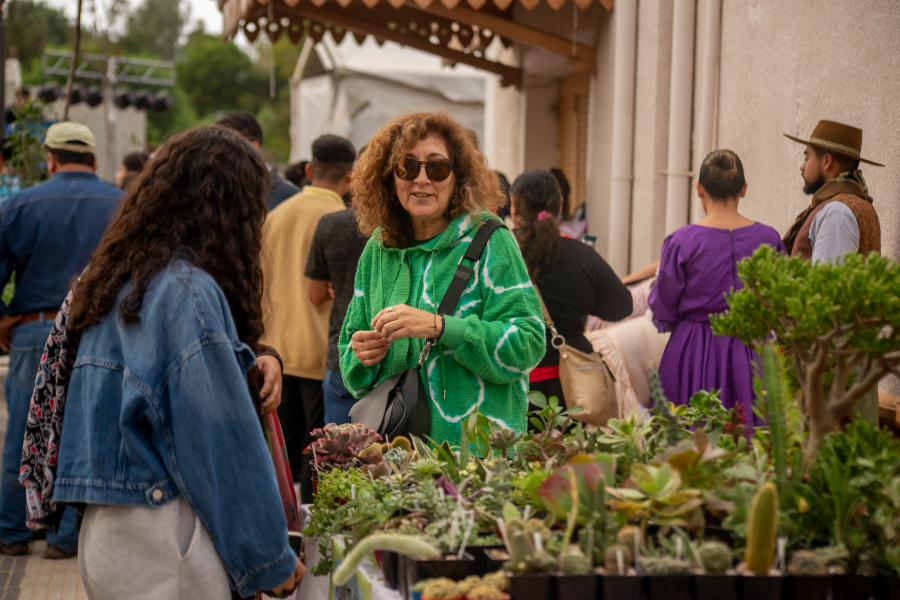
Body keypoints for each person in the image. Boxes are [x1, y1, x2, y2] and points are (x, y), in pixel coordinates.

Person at [56, 126, 305, 599]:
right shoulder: (187, 292)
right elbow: (220, 443)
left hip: (108, 530)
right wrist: (268, 557)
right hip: (164, 537)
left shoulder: (118, 278)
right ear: (228, 210)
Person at [339, 112, 545, 445]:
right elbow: (352, 367)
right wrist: (363, 356)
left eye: (437, 168)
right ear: (390, 177)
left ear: (457, 177)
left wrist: (441, 327)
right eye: (407, 167)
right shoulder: (379, 249)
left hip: (478, 465)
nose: (421, 180)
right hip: (397, 462)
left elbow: (529, 344)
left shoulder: (491, 240)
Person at [0, 123, 120, 559]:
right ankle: (64, 538)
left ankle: (11, 532)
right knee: (81, 432)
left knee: (22, 433)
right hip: (99, 332)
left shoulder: (18, 204)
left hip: (34, 328)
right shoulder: (123, 205)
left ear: (50, 158)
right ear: (93, 160)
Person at [649, 150, 785, 418]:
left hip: (692, 352)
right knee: (757, 444)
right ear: (743, 189)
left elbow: (663, 305)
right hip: (754, 352)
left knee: (684, 445)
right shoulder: (769, 239)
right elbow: (781, 303)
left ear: (699, 189)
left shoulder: (681, 242)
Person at [262, 134, 355, 504]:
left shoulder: (273, 216)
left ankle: (283, 530)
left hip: (275, 357)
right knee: (316, 459)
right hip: (321, 358)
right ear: (351, 176)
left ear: (309, 170)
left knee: (281, 460)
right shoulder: (344, 222)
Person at [509, 169, 632, 408]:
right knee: (571, 446)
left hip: (516, 385)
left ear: (514, 209)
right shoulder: (583, 255)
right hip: (576, 387)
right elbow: (621, 307)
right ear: (560, 205)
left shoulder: (500, 256)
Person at [782, 120, 882, 262]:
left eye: (807, 158)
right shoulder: (854, 203)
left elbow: (826, 281)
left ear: (826, 161)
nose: (802, 166)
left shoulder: (836, 211)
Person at [305, 203, 369, 426]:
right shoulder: (411, 223)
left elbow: (315, 295)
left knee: (339, 454)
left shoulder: (331, 223)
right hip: (394, 361)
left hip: (343, 355)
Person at [215, 111, 300, 211]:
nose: (222, 155)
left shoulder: (290, 197)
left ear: (254, 147)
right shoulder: (216, 191)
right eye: (218, 147)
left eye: (230, 147)